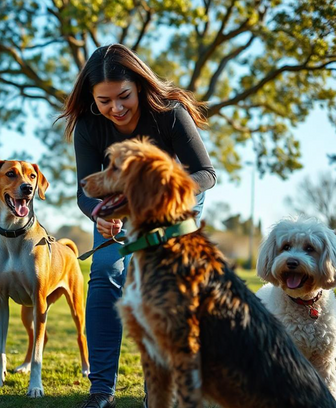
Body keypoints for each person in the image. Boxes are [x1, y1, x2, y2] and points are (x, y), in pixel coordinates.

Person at [57, 43, 216, 408]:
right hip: (119, 206)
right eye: (104, 100)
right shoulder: (88, 127)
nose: (115, 108)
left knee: (164, 287)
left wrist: (159, 192)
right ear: (92, 98)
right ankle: (101, 391)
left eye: (124, 96)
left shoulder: (170, 114)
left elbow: (205, 174)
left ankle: (159, 393)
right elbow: (86, 189)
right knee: (106, 272)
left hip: (174, 200)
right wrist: (100, 214)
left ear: (139, 87)